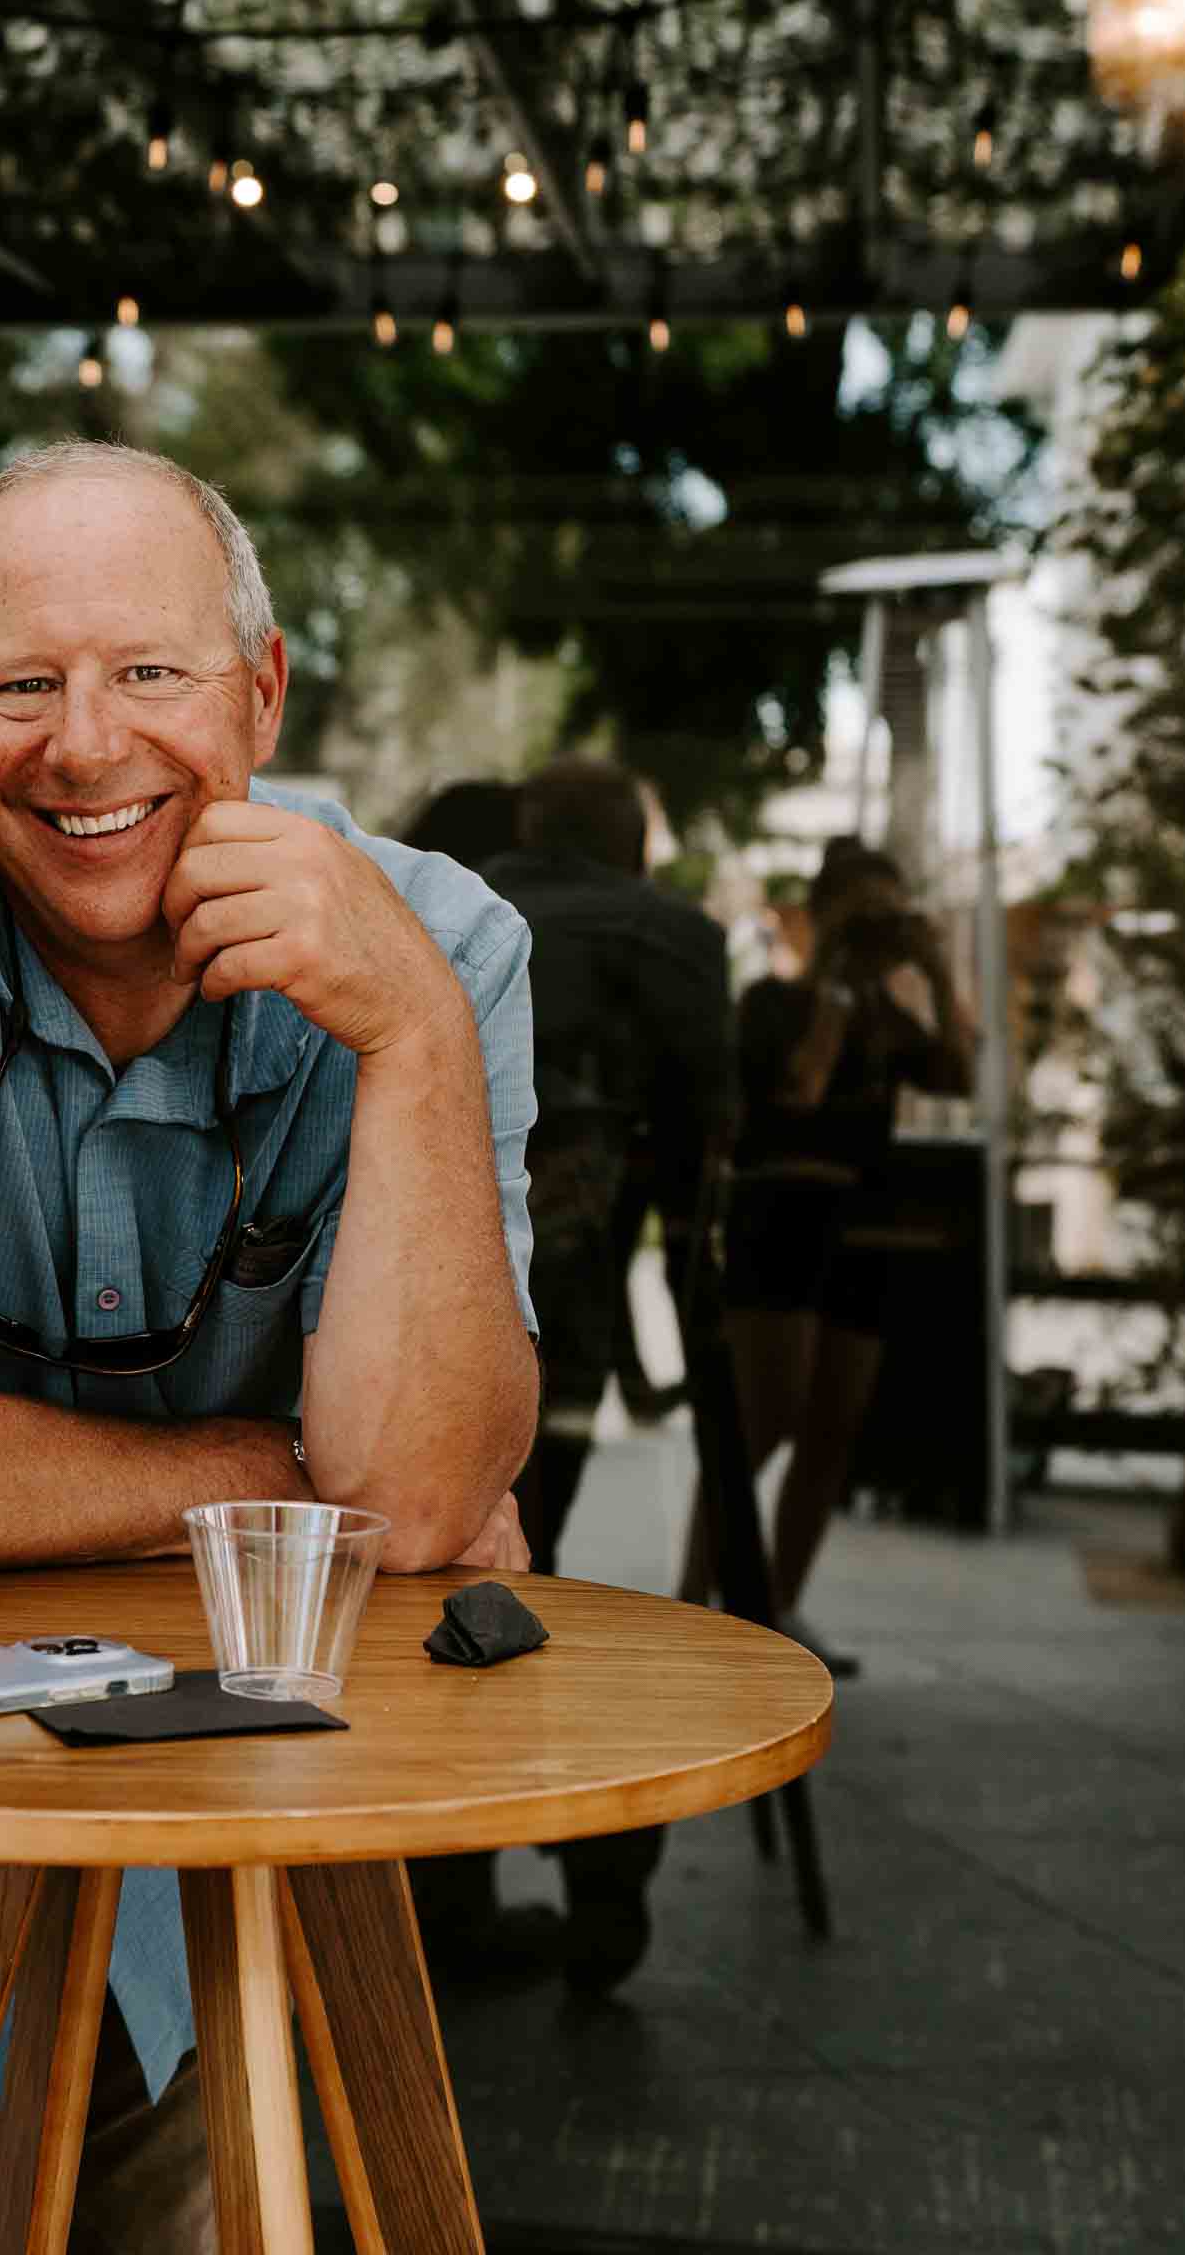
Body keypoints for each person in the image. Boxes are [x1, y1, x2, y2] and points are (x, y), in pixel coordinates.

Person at [0, 440, 539, 2252]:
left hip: (232, 1866)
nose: (86, 743)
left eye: (150, 673)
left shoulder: (445, 947)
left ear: (265, 692)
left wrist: (416, 1045)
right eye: (21, 686)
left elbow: (435, 1485)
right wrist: (291, 1480)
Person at [402, 755, 729, 1994]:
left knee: (462, 1585)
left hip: (436, 1323)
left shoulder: (434, 905)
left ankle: (461, 1891)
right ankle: (596, 1864)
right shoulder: (666, 940)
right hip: (570, 1328)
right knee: (525, 1585)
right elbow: (704, 1153)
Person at [718, 836, 971, 1676]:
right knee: (765, 1419)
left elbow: (961, 1075)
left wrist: (933, 970)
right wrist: (835, 984)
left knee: (832, 1425)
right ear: (823, 913)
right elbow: (802, 1086)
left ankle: (782, 1605)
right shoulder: (771, 1002)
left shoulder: (892, 1016)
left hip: (866, 1225)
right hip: (781, 1218)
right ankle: (694, 1596)